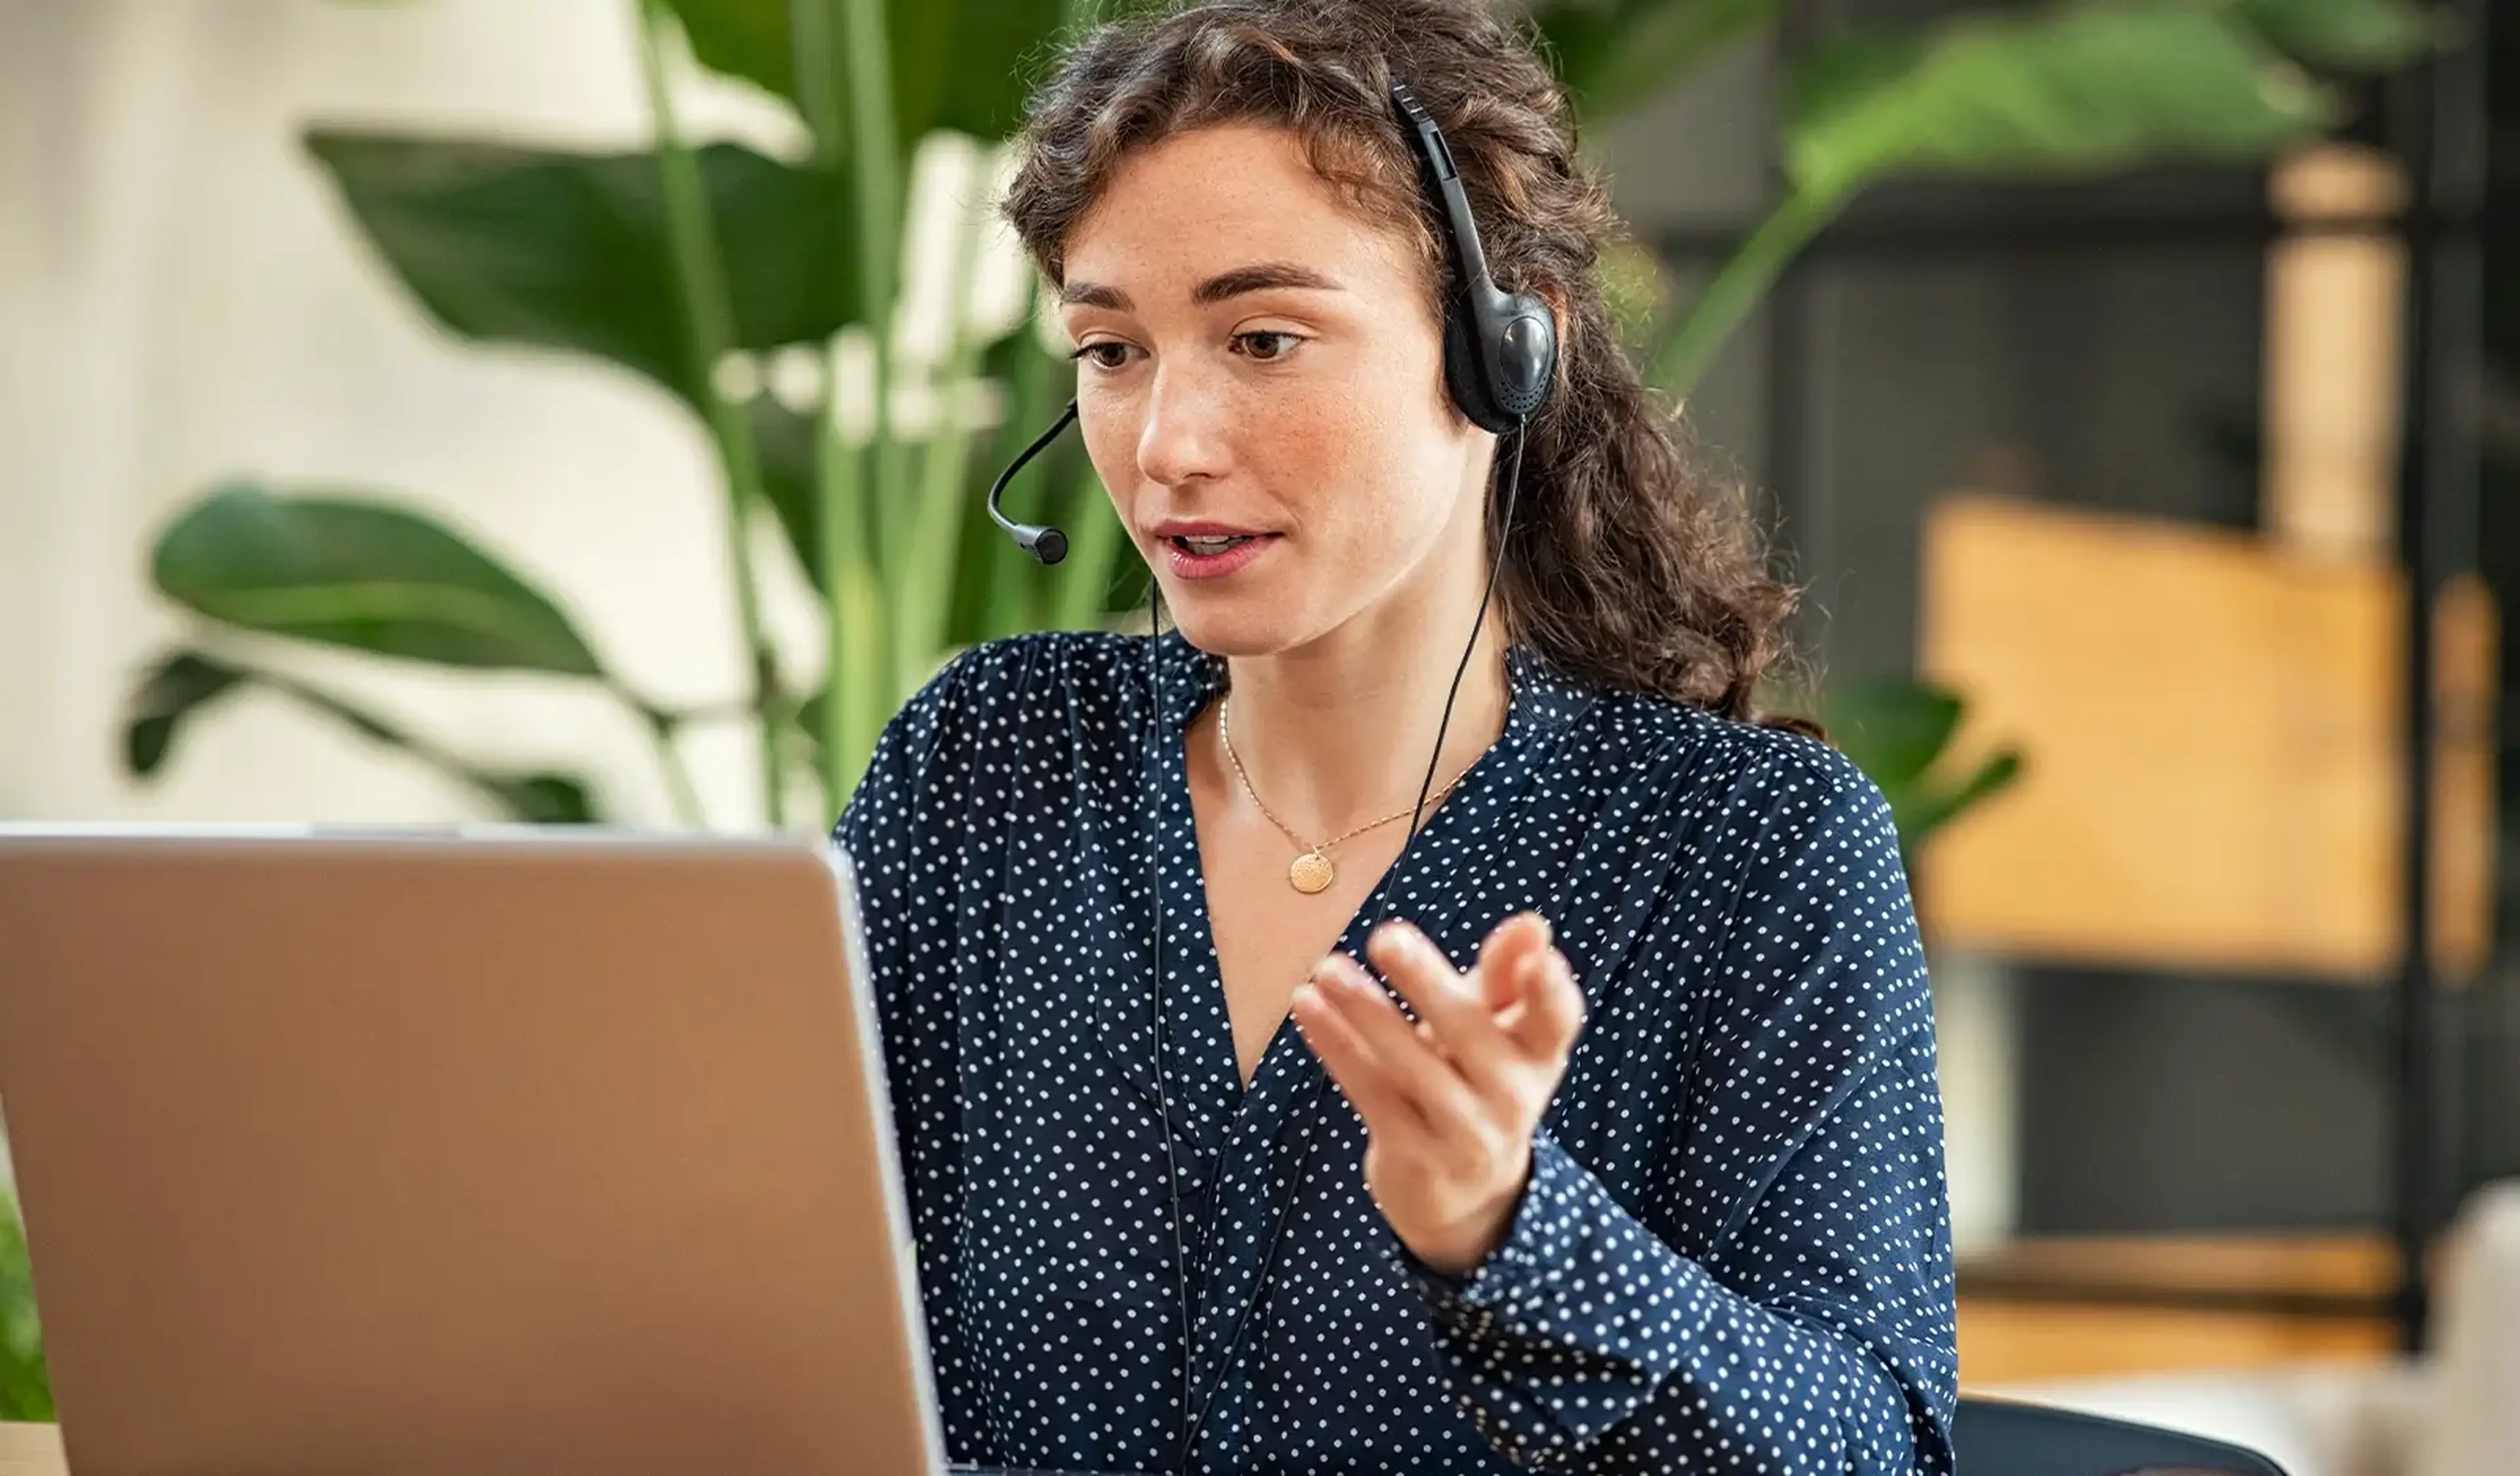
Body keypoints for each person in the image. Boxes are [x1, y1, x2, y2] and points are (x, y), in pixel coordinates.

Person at [835, 1, 1957, 1471]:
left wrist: (1511, 1232)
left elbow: (1875, 1445)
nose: (1167, 443)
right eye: (1111, 351)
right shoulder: (989, 766)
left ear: (1505, 350)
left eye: (1264, 338)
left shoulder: (1748, 849)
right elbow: (776, 1298)